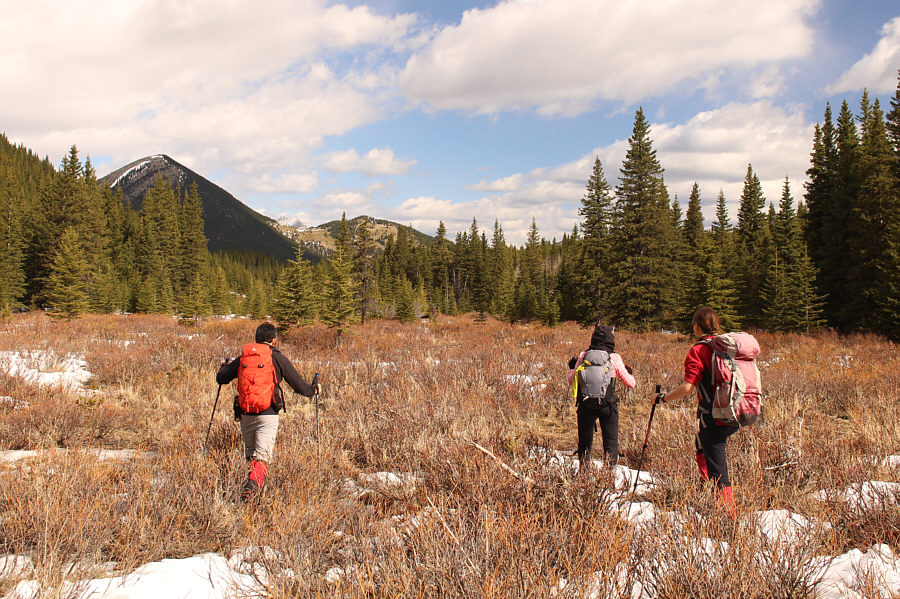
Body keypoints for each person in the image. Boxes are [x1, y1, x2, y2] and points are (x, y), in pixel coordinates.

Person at [216, 322, 320, 502]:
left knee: (251, 454)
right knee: (262, 458)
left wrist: (224, 367)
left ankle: (247, 491)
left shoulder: (244, 357)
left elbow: (222, 378)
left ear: (256, 338)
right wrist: (314, 390)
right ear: (274, 340)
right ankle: (249, 493)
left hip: (245, 413)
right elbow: (298, 385)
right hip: (268, 413)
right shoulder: (276, 356)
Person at [660, 306, 738, 513]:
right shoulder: (727, 345)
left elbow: (687, 387)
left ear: (696, 326)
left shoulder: (699, 350)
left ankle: (727, 512)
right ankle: (706, 491)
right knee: (702, 445)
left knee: (717, 464)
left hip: (714, 415)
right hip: (736, 409)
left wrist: (664, 399)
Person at [568, 324, 635, 470]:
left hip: (585, 405)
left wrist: (572, 368)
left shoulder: (583, 355)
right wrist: (629, 373)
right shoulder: (614, 357)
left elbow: (571, 379)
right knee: (610, 442)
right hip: (608, 405)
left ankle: (584, 475)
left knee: (585, 442)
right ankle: (608, 478)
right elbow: (631, 383)